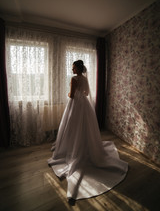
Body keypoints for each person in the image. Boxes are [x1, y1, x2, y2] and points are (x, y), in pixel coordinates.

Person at [48, 60, 128, 202]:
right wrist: (78, 94)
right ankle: (84, 144)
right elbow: (86, 93)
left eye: (73, 67)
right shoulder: (84, 79)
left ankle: (71, 147)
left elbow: (71, 95)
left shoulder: (74, 79)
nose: (72, 70)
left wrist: (69, 93)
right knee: (84, 127)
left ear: (77, 68)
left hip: (75, 105)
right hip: (84, 105)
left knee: (72, 127)